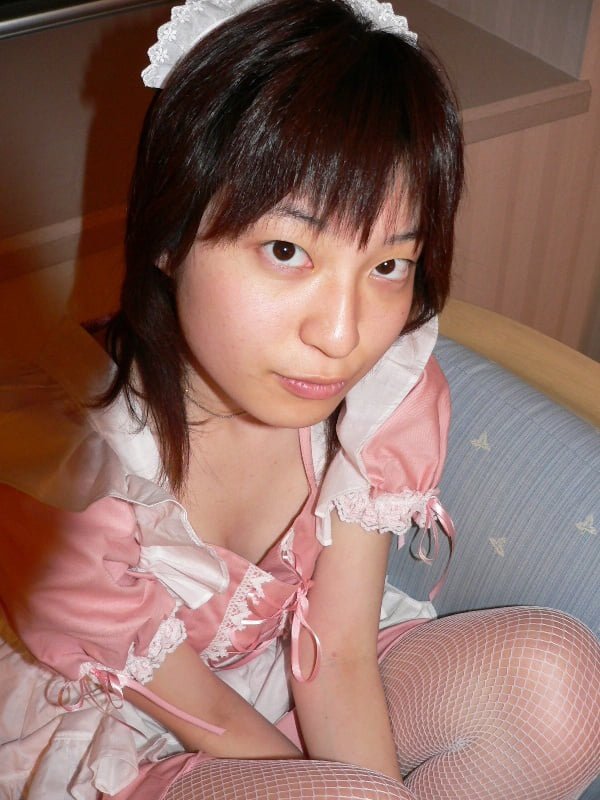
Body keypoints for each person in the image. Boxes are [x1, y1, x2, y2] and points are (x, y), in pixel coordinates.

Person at [0, 0, 598, 798]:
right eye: (286, 250)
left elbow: (339, 655)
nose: (343, 334)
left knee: (557, 686)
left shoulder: (381, 401)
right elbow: (203, 714)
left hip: (292, 682)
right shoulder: (62, 466)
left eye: (388, 265)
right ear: (169, 235)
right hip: (128, 730)